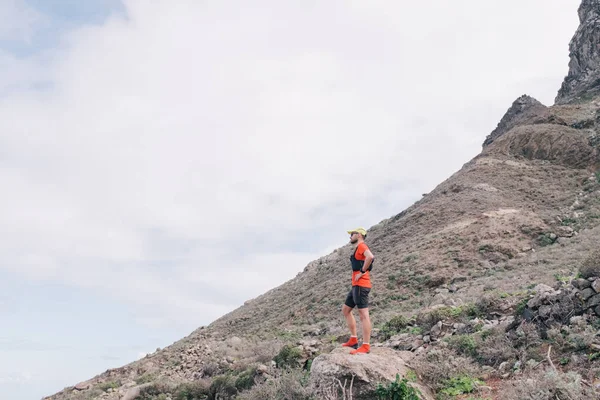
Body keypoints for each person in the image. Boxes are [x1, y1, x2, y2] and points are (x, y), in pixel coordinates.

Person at [341, 227, 374, 355]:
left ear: (359, 235)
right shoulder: (358, 248)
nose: (350, 236)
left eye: (352, 234)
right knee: (346, 310)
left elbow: (370, 257)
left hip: (361, 285)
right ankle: (353, 340)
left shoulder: (362, 246)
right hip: (356, 285)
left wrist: (361, 272)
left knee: (363, 314)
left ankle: (365, 346)